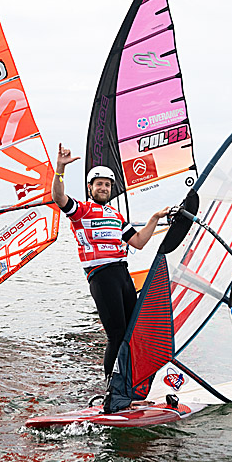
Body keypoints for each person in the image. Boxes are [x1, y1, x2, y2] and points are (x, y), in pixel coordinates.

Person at [52, 143, 169, 383]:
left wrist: (155, 219)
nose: (103, 188)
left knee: (132, 333)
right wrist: (60, 169)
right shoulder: (82, 210)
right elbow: (58, 197)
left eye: (107, 184)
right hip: (101, 276)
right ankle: (111, 388)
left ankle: (131, 383)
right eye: (99, 184)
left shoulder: (116, 215)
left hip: (123, 276)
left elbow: (138, 241)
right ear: (90, 188)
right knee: (116, 334)